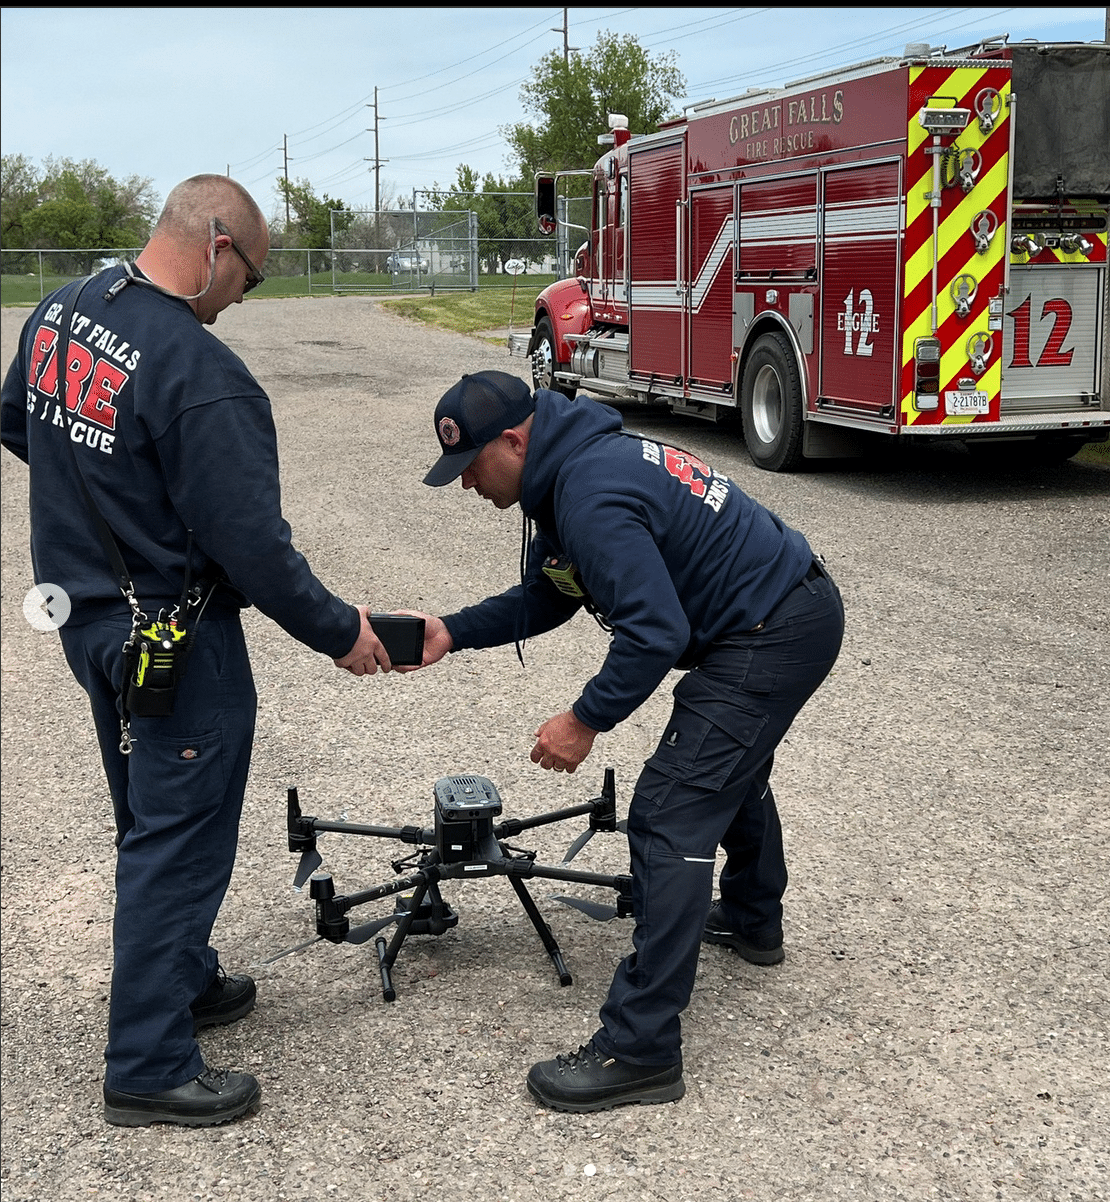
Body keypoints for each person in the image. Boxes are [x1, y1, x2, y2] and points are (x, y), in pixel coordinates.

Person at [1, 174, 393, 1128]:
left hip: (89, 623)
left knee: (146, 806)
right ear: (218, 246)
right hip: (175, 639)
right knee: (174, 837)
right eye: (246, 281)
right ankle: (146, 1061)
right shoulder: (202, 376)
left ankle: (182, 974)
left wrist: (111, 513)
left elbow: (19, 424)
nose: (240, 303)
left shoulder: (62, 312)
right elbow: (256, 551)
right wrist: (342, 632)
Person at [407, 369, 844, 1113]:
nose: (466, 484)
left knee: (673, 809)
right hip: (783, 611)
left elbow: (655, 631)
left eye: (471, 465)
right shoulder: (570, 472)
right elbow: (556, 591)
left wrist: (584, 719)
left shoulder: (590, 492)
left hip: (772, 630)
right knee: (722, 768)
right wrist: (454, 630)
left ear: (514, 440)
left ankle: (639, 1049)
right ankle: (749, 917)